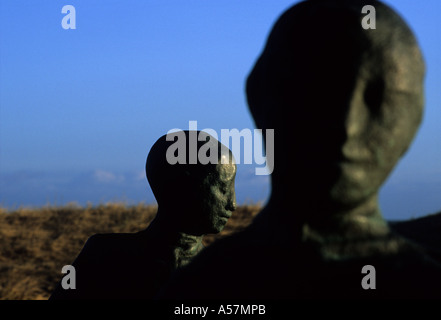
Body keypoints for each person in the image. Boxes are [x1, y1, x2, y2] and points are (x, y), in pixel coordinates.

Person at [158, 0, 441, 299]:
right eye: (321, 91)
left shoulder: (205, 287)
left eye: (377, 97)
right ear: (260, 99)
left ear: (417, 114)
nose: (347, 126)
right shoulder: (201, 290)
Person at [49, 130, 237, 299]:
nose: (233, 203)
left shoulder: (221, 272)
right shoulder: (103, 257)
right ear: (181, 186)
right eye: (223, 187)